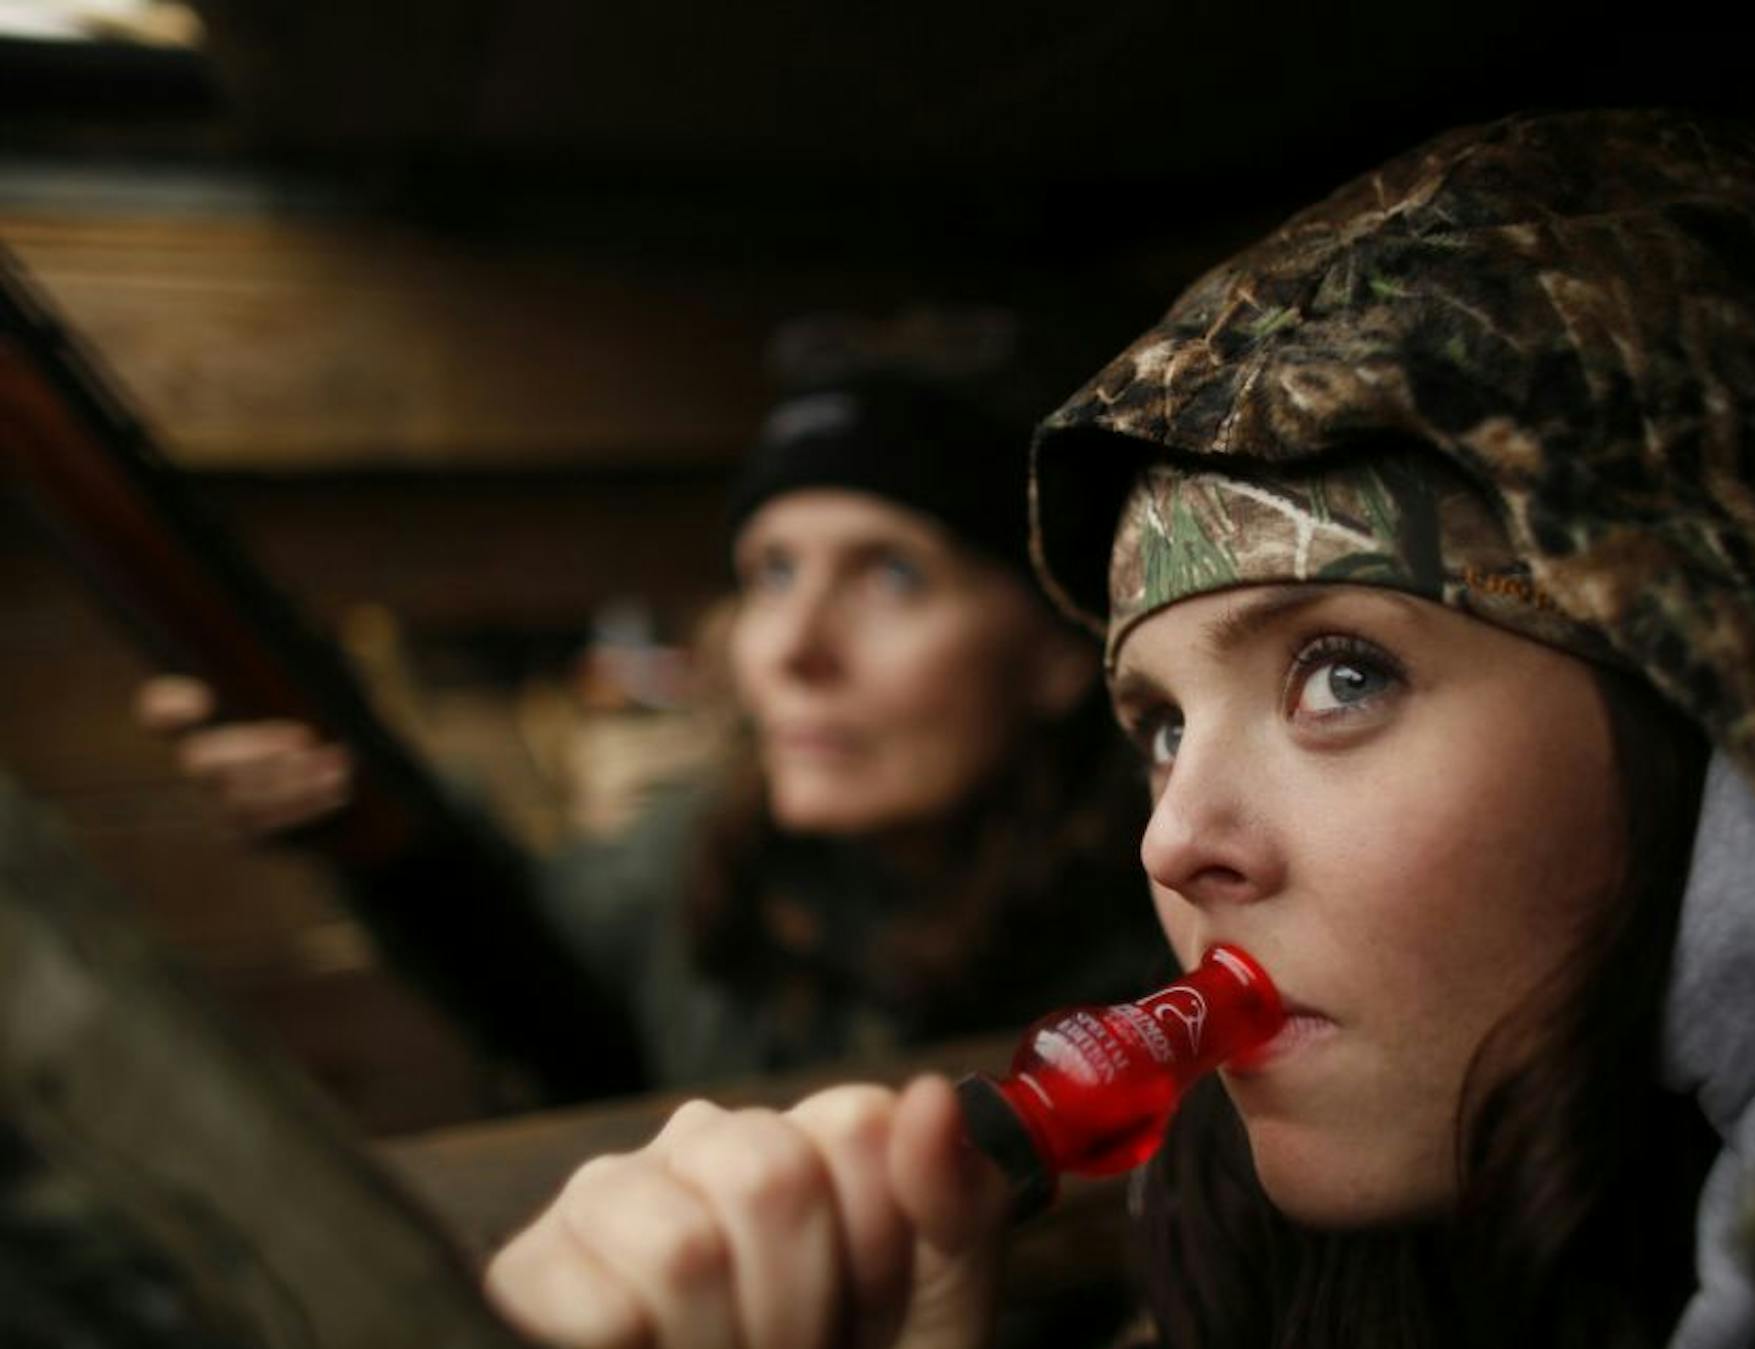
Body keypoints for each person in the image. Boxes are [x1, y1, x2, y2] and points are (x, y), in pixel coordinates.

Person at [475, 109, 1755, 1349]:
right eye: (1159, 725)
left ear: (1739, 720)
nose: (1181, 842)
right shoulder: (1260, 1326)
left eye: (1341, 675)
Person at [139, 370, 1171, 1088]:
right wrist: (365, 810)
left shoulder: (1168, 932)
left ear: (1052, 654)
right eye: (772, 572)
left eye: (891, 573)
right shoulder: (702, 851)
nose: (792, 646)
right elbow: (543, 993)